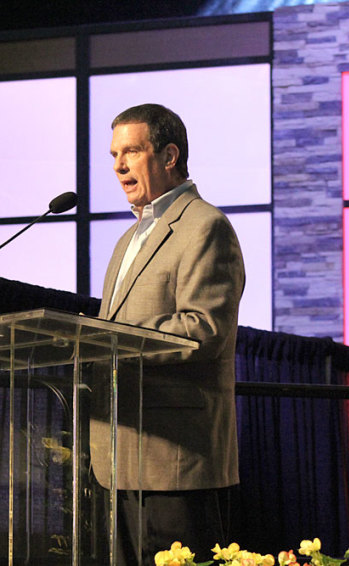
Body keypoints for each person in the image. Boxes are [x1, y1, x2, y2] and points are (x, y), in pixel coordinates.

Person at [89, 103, 246, 565]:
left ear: (170, 155)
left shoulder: (205, 226)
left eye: (132, 151)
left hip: (174, 459)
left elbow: (204, 329)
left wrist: (111, 339)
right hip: (119, 454)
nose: (118, 165)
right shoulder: (127, 239)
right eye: (114, 154)